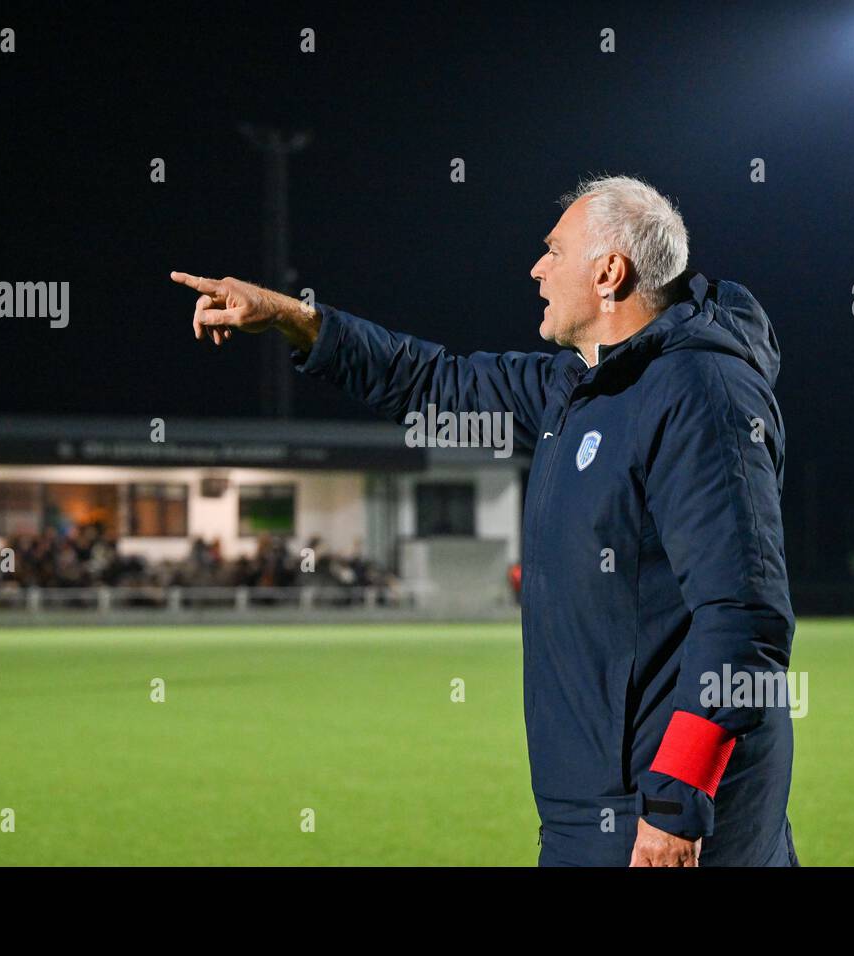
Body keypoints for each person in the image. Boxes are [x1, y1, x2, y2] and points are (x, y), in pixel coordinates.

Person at [170, 173, 797, 867]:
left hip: (667, 819)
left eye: (554, 252)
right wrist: (293, 317)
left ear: (609, 273)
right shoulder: (577, 389)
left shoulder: (700, 393)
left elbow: (744, 615)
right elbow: (430, 381)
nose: (536, 268)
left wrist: (678, 799)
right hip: (591, 812)